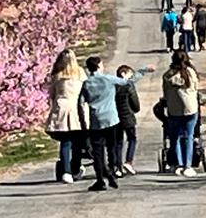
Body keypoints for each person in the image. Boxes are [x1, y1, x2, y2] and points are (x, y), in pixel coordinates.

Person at [81, 56, 153, 191]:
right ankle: (113, 169)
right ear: (98, 66)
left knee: (97, 153)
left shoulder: (86, 84)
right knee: (112, 147)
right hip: (111, 119)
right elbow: (128, 81)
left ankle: (101, 179)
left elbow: (80, 104)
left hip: (96, 121)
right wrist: (142, 71)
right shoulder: (108, 79)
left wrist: (83, 123)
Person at [45, 49, 88, 184]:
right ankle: (75, 167)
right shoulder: (80, 73)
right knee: (77, 142)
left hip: (61, 109)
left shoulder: (57, 76)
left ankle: (66, 171)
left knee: (65, 142)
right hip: (76, 108)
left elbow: (51, 95)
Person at [162, 51, 199, 177]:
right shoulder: (191, 73)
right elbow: (195, 88)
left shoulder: (168, 75)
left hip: (174, 110)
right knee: (189, 136)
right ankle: (188, 166)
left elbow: (166, 94)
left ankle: (178, 164)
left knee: (175, 137)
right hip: (191, 109)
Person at [114, 65, 143, 176]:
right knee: (132, 139)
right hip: (128, 117)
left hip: (116, 117)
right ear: (123, 74)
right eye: (130, 74)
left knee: (118, 142)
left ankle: (117, 166)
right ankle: (128, 161)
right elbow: (135, 103)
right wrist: (135, 109)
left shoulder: (113, 86)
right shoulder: (128, 85)